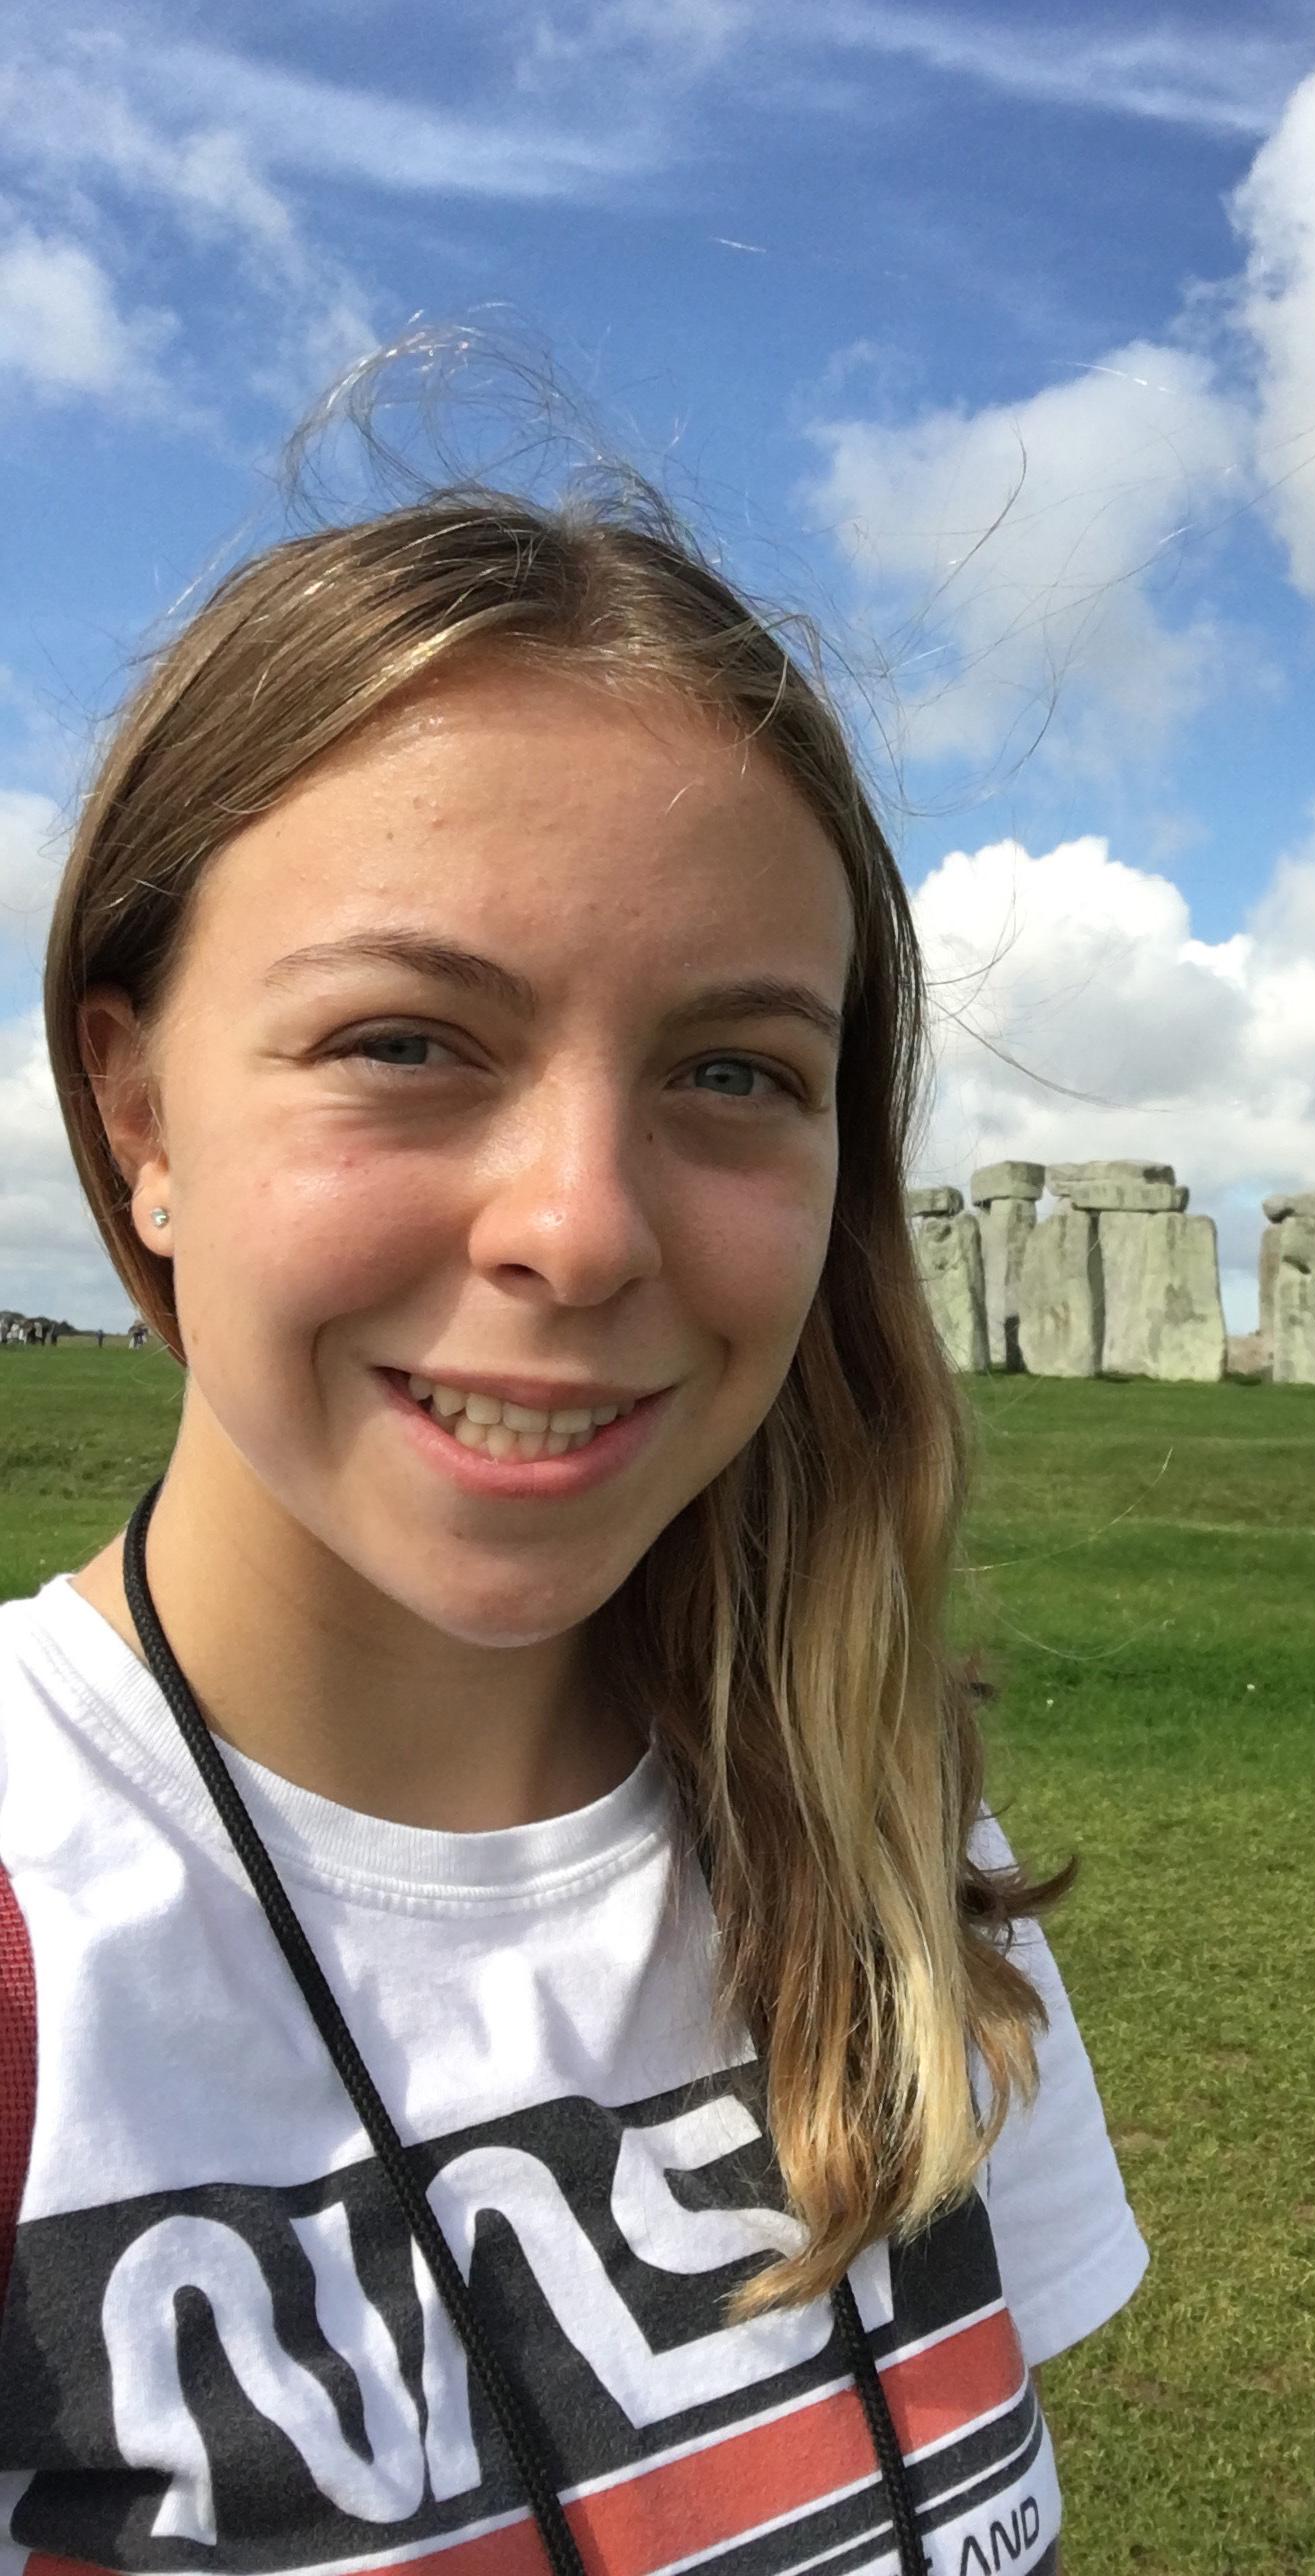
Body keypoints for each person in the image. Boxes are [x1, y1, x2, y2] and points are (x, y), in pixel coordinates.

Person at [0, 468, 1144, 2574]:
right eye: (407, 1039)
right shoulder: (38, 1934)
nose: (584, 1228)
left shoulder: (895, 1846)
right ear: (139, 1117)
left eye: (731, 1074)